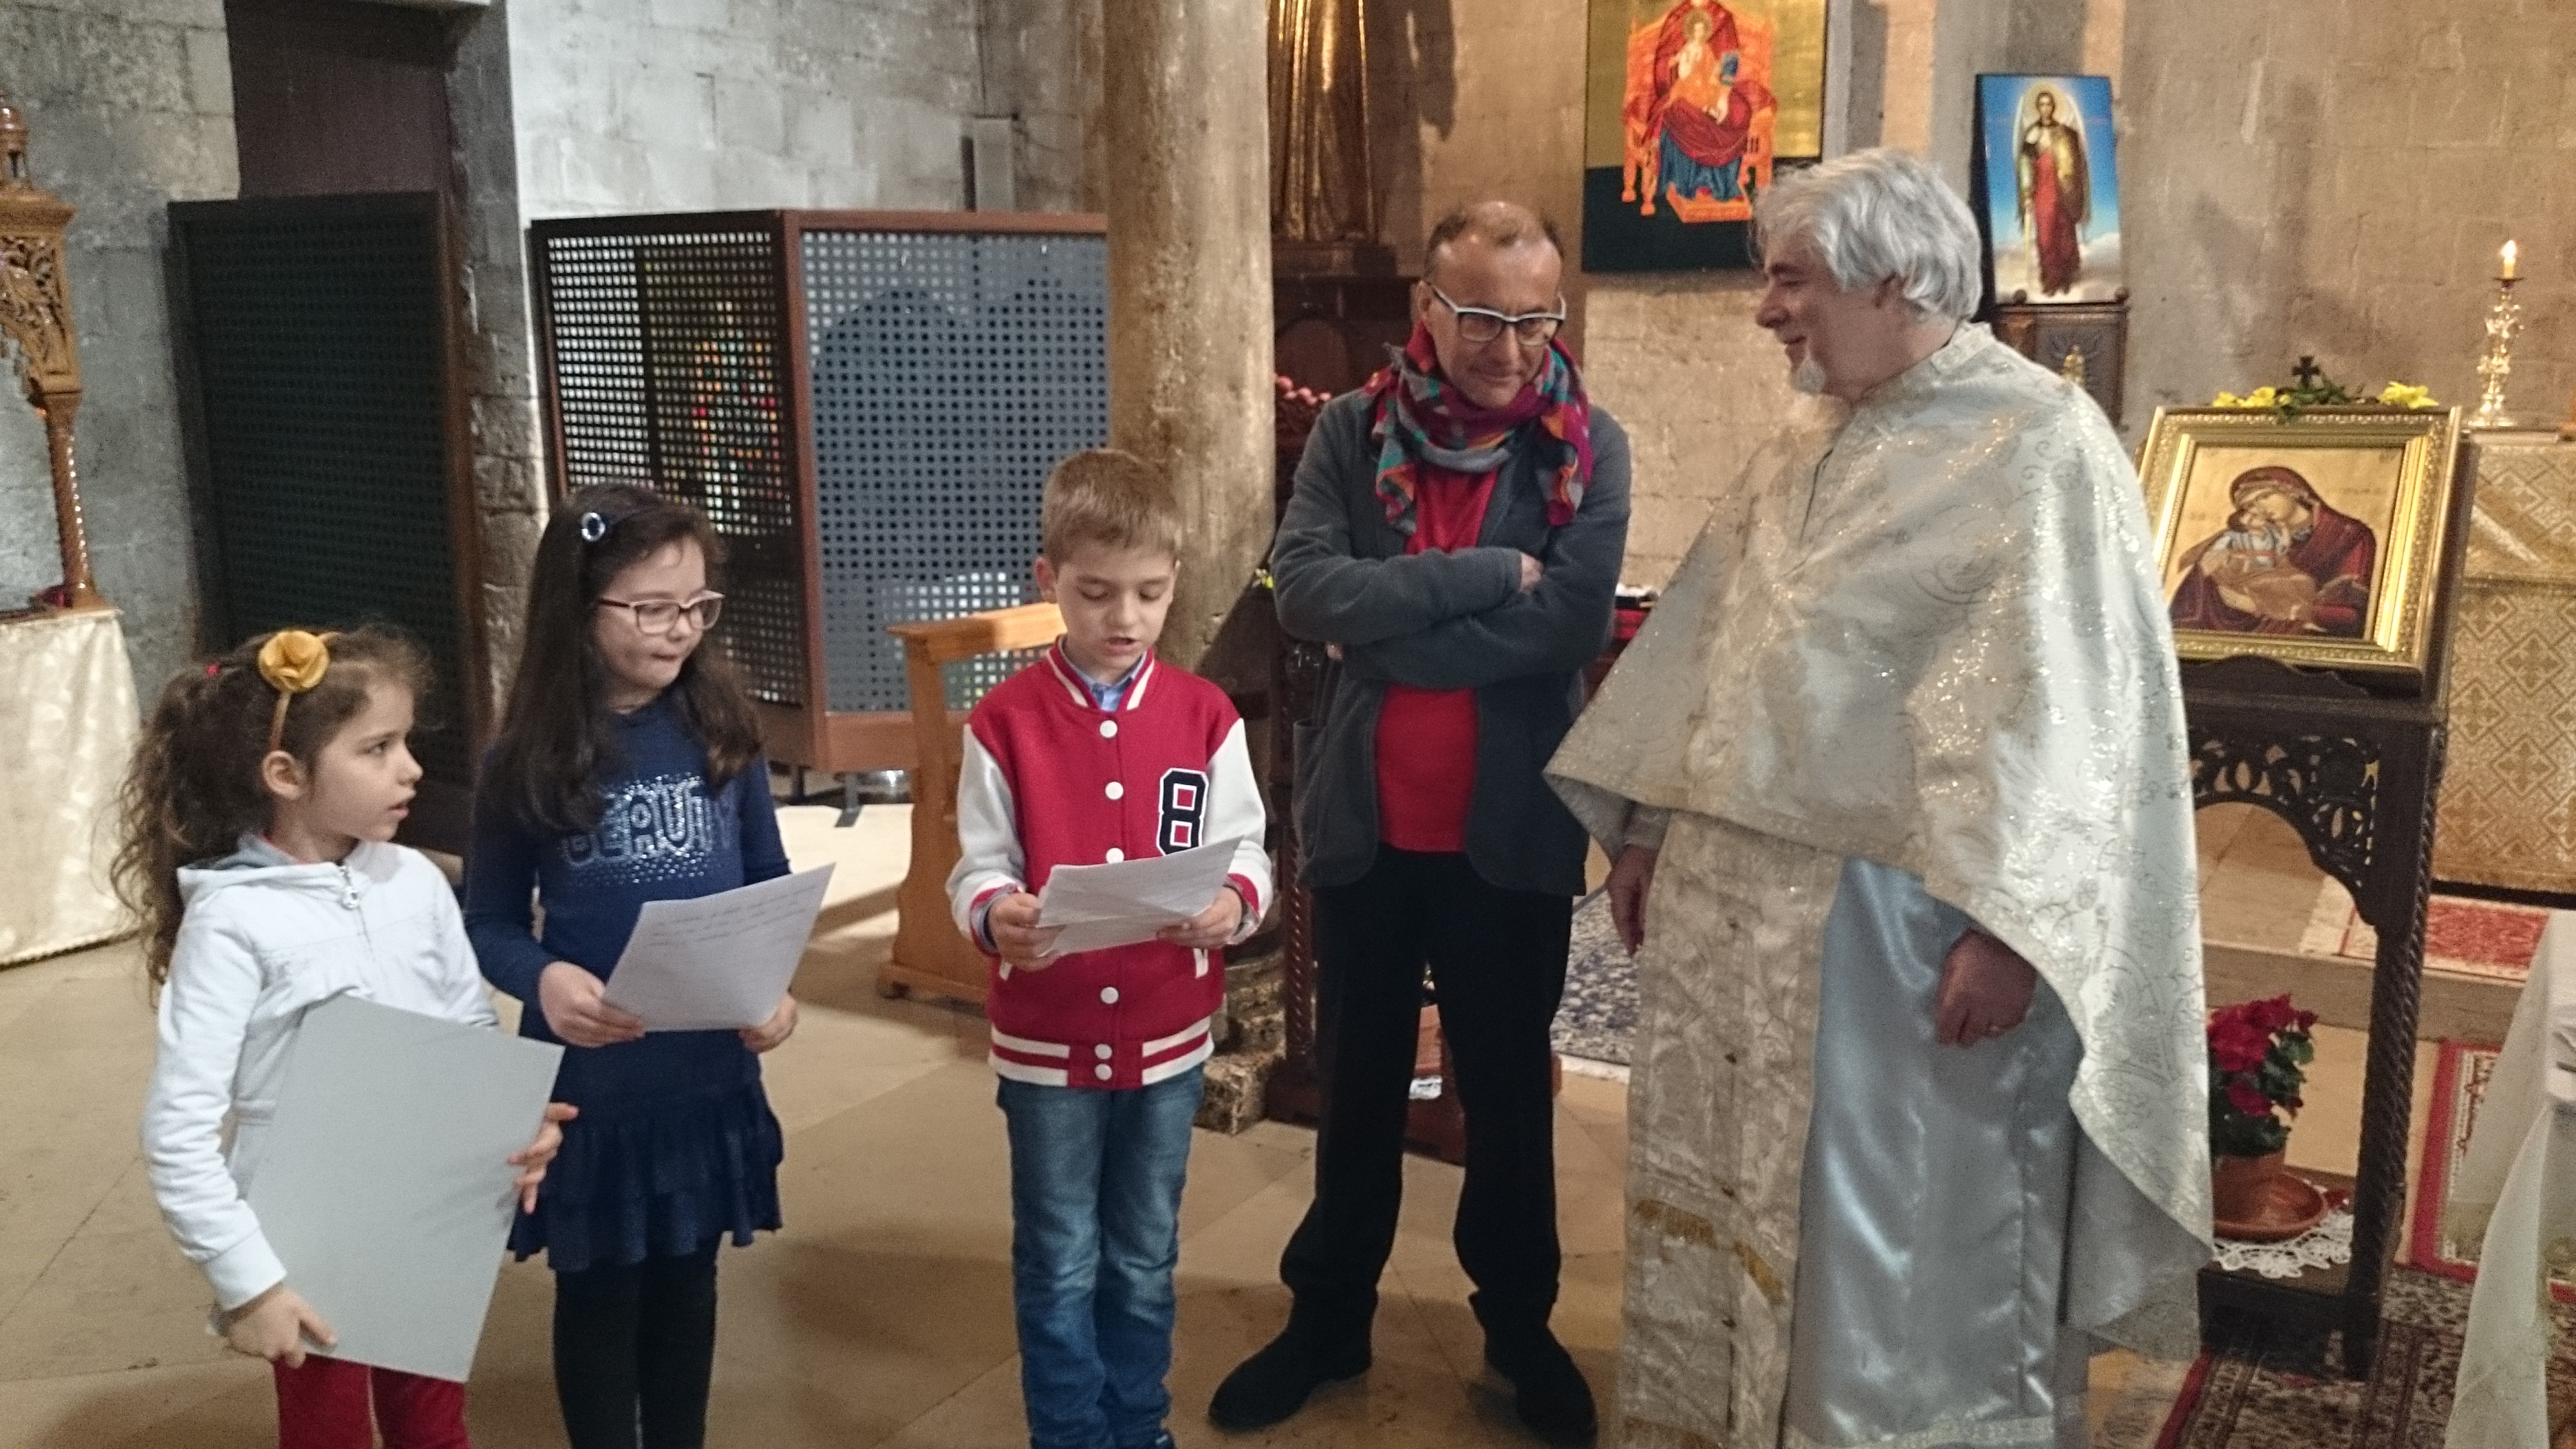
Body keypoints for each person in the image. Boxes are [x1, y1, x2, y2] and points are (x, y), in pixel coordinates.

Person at [1548, 148, 2212, 1449]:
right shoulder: (1805, 433)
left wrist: (2016, 931)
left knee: (1891, 1246)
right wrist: (1651, 826)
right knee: (1738, 1203)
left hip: (1904, 937)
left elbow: (2082, 712)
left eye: (1791, 279)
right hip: (1737, 924)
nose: (1767, 310)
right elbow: (1717, 641)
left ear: (1895, 277)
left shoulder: (2043, 446)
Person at [1212, 201, 1630, 1446]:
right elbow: (1305, 592)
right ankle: (1329, 1318)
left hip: (1508, 838)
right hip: (1366, 831)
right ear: (1427, 311)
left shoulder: (1585, 448)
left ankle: (1520, 1328)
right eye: (1482, 317)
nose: (1510, 346)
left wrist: (1389, 636)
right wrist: (1482, 578)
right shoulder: (1353, 431)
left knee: (1507, 1098)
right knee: (1353, 1088)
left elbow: (1569, 626)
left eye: (1535, 319)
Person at [125, 625, 570, 1449]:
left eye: (406, 742)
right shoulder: (232, 922)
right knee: (328, 1435)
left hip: (428, 1213)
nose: (411, 769)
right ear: (286, 775)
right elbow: (177, 1134)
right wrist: (252, 1285)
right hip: (310, 1241)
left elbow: (467, 1032)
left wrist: (512, 1125)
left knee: (435, 1430)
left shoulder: (417, 881)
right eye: (377, 748)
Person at [947, 447, 1272, 1449]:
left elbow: (1247, 848)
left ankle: (1139, 1426)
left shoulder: (1205, 715)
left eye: (1149, 593)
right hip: (1047, 1043)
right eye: (1095, 594)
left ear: (1174, 582)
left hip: (1169, 1039)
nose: (1124, 619)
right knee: (1059, 1259)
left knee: (1142, 1255)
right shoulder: (1002, 722)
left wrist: (1231, 904)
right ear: (1049, 580)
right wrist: (997, 914)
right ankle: (1070, 1435)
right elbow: (977, 867)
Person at [465, 484, 802, 1449]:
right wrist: (542, 978)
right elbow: (487, 921)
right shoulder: (523, 758)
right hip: (591, 1090)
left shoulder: (723, 732)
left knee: (689, 1283)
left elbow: (767, 883)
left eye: (697, 606)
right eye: (652, 609)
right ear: (580, 607)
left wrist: (774, 992)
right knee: (600, 1295)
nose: (680, 630)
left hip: (704, 1075)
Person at [2168, 466, 2378, 637]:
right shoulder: (2247, 537)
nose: (2259, 509)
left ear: (2293, 491)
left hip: (2310, 640)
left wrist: (2261, 607)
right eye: (2249, 506)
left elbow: (2351, 617)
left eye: (2264, 496)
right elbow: (2189, 608)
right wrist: (2208, 574)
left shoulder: (2347, 536)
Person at [2017, 88, 2091, 296]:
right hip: (2043, 191)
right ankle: (2051, 279)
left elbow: (2077, 165)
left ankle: (2065, 277)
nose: (2045, 108)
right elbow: (2025, 165)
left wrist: (2075, 190)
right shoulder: (2031, 134)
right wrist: (2027, 193)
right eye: (2042, 104)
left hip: (2064, 191)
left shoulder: (2066, 133)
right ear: (2037, 108)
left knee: (2065, 234)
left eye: (2049, 104)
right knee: (2046, 236)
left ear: (2054, 107)